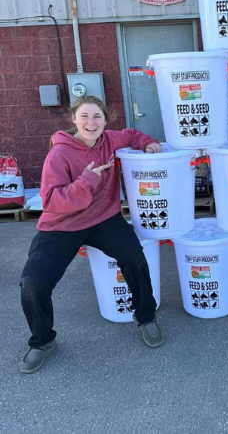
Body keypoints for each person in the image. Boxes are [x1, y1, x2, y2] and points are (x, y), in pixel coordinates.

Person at [20, 95, 165, 374]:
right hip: (62, 223)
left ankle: (146, 317)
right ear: (73, 119)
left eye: (97, 117)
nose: (91, 122)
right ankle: (42, 341)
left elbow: (132, 134)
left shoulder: (110, 141)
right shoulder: (59, 153)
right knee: (32, 282)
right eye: (84, 116)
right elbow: (50, 201)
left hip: (103, 219)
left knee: (133, 254)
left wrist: (147, 142)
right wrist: (87, 181)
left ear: (105, 122)